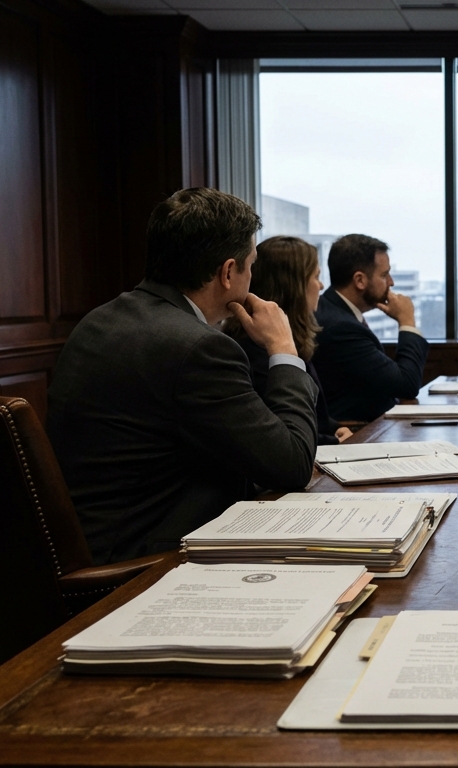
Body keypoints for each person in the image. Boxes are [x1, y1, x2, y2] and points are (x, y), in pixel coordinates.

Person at [46, 188, 317, 565]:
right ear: (227, 272)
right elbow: (292, 465)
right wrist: (284, 351)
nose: (251, 276)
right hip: (142, 557)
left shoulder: (100, 319)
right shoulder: (199, 348)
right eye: (250, 265)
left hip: (90, 540)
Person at [225, 236, 352, 446]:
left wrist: (336, 428)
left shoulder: (292, 336)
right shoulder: (255, 348)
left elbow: (315, 414)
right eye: (316, 277)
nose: (320, 286)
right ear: (294, 286)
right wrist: (333, 441)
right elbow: (277, 431)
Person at [311, 234, 430, 424]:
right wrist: (407, 322)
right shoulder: (341, 327)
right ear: (360, 280)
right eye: (384, 275)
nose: (391, 282)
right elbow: (407, 384)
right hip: (356, 435)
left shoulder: (339, 313)